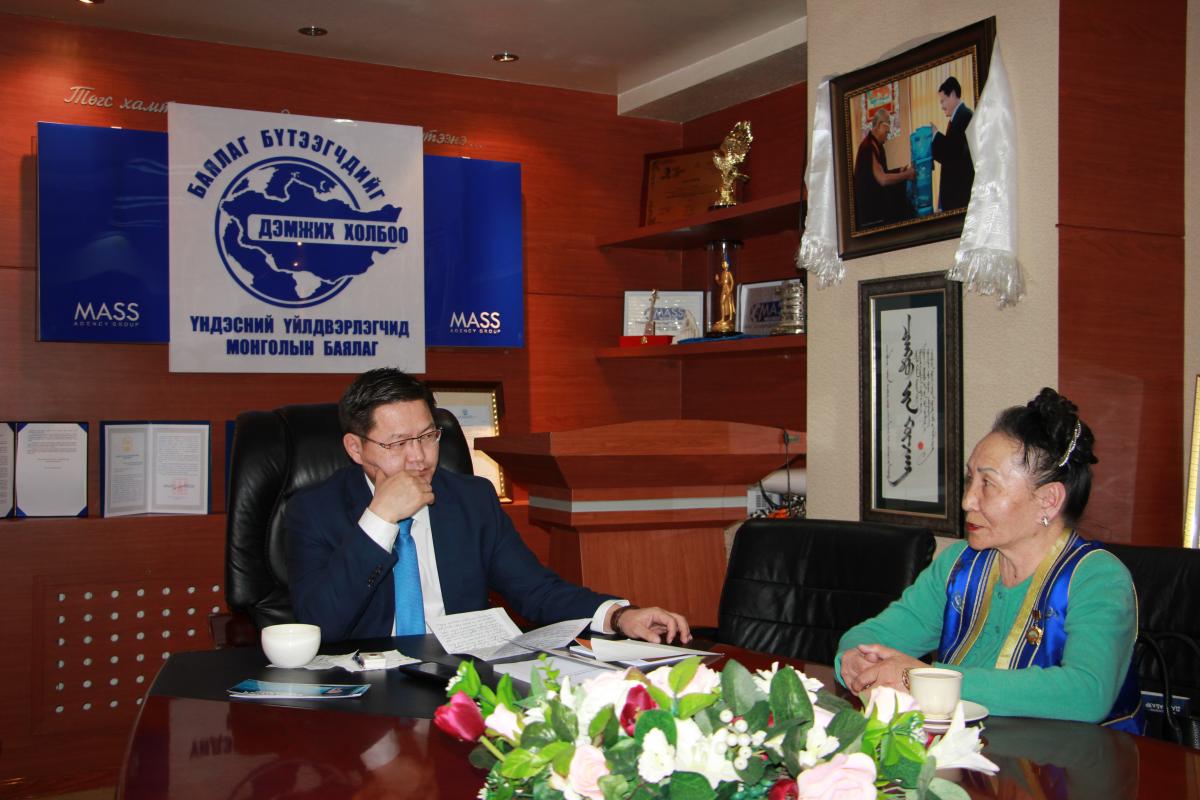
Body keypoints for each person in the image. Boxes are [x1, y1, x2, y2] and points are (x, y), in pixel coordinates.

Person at [286, 368, 692, 645]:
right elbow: (321, 626)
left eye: (427, 436)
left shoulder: (472, 500)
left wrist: (619, 616)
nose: (419, 458)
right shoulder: (314, 511)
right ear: (355, 448)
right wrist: (380, 519)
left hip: (459, 679)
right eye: (397, 444)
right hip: (364, 690)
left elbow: (536, 591)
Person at [836, 388, 1142, 733]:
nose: (967, 500)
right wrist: (854, 659)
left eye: (988, 484)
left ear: (1048, 500)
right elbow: (875, 635)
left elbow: (1087, 692)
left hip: (1069, 761)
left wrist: (923, 679)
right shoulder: (960, 564)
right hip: (967, 750)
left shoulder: (1098, 577)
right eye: (971, 479)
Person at [853, 110, 915, 228]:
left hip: (875, 206)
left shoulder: (877, 145)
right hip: (870, 214)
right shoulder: (867, 147)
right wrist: (907, 175)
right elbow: (883, 179)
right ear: (880, 125)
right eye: (887, 131)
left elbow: (880, 172)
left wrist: (900, 170)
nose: (888, 134)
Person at [930, 76, 975, 212]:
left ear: (953, 94)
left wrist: (935, 135)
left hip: (960, 195)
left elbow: (952, 154)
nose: (942, 106)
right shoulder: (958, 118)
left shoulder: (965, 116)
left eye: (943, 100)